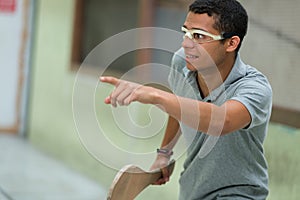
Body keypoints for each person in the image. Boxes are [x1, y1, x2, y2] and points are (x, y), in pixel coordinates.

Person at [100, 0, 272, 199]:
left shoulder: (254, 88)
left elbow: (221, 120)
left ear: (231, 43)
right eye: (186, 33)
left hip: (239, 193)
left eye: (199, 36)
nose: (185, 44)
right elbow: (181, 106)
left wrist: (155, 96)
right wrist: (164, 153)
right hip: (192, 190)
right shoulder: (182, 61)